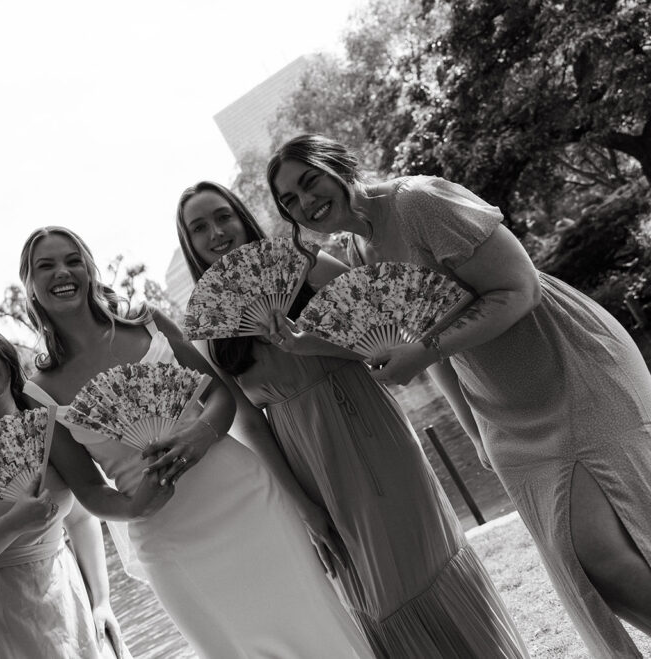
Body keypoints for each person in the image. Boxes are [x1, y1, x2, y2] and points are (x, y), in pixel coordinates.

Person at [267, 133, 651, 658]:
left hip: (569, 366)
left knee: (605, 553)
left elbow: (519, 289)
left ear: (339, 166)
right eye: (289, 200)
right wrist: (475, 432)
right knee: (586, 562)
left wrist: (423, 351)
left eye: (310, 181)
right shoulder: (357, 252)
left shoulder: (421, 201)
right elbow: (431, 346)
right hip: (501, 406)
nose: (305, 202)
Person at [176, 181, 528, 658]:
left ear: (242, 217)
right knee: (374, 593)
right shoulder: (212, 332)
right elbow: (251, 427)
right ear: (190, 244)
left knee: (430, 557)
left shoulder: (309, 266)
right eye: (200, 228)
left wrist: (308, 342)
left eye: (223, 217)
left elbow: (390, 334)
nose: (216, 233)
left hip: (375, 429)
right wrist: (304, 508)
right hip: (310, 463)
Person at [17, 225, 374, 659]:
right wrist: (131, 508)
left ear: (89, 269)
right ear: (31, 286)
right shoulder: (37, 393)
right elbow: (87, 490)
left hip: (244, 498)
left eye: (72, 259)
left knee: (314, 624)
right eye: (46, 266)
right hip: (165, 535)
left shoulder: (147, 322)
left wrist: (202, 432)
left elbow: (220, 394)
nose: (63, 271)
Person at [0, 317, 126, 658]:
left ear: (4, 353)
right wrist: (14, 522)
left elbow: (81, 520)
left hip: (62, 589)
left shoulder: (46, 420)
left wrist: (101, 601)